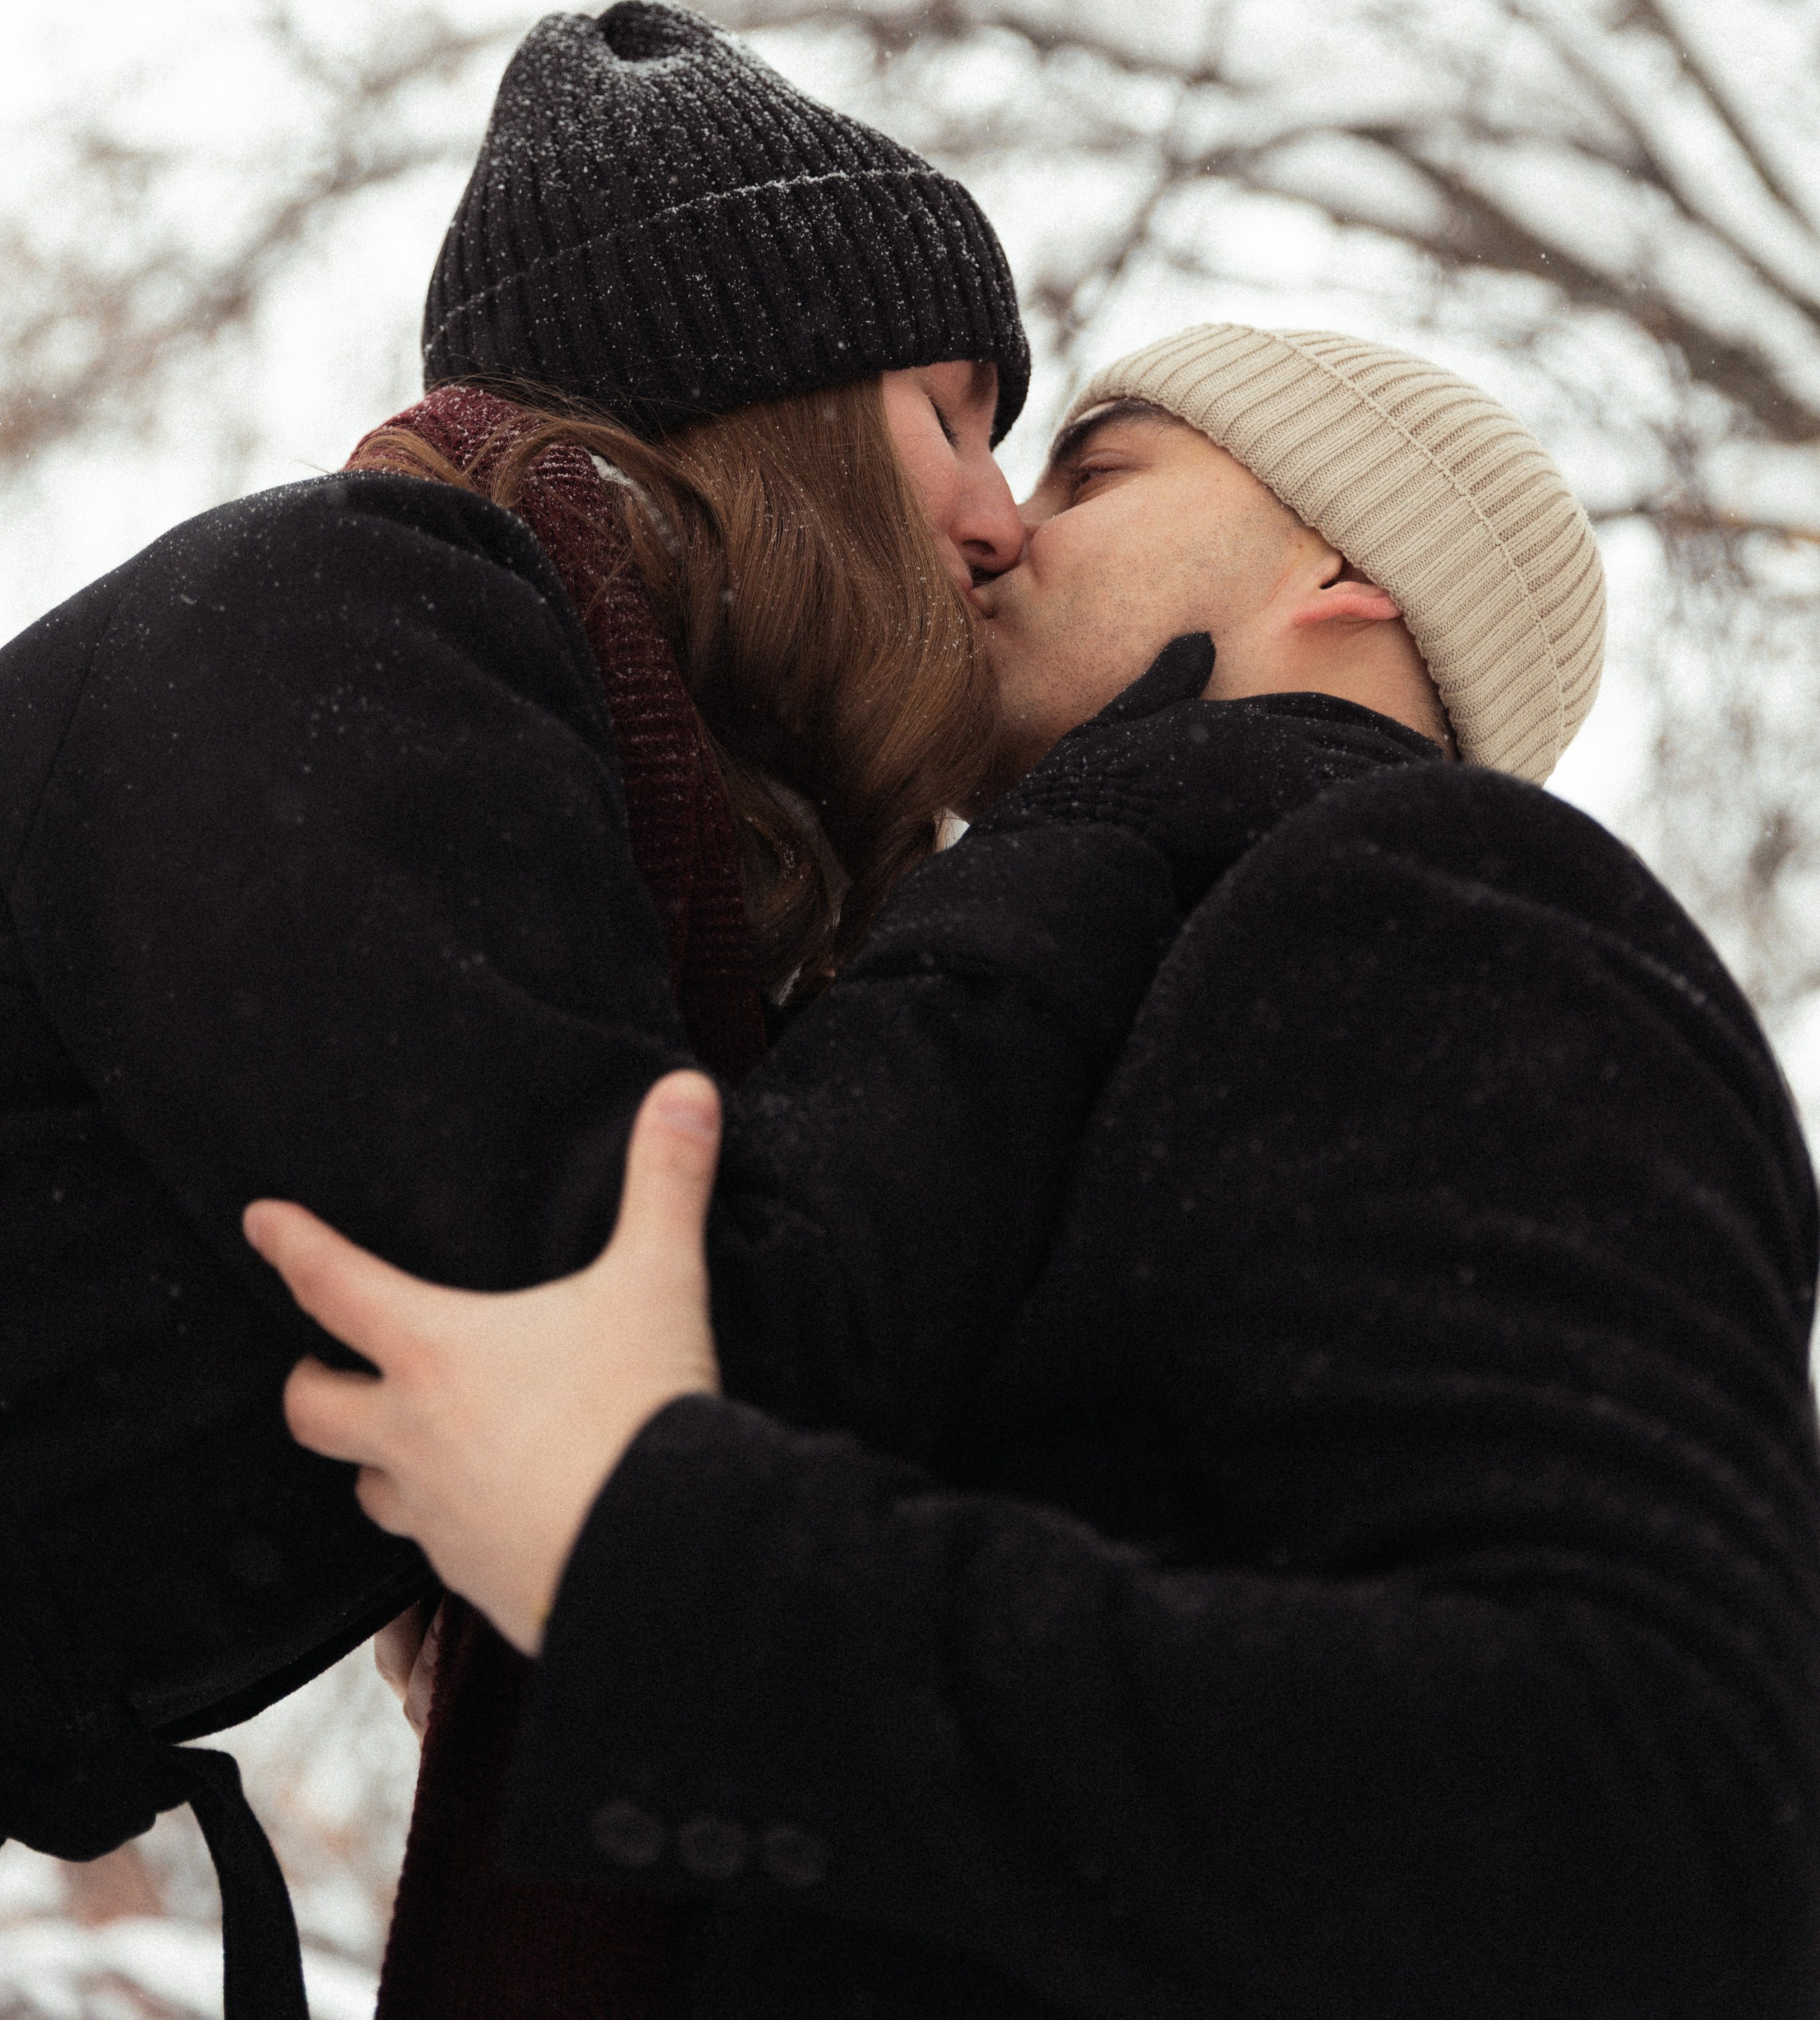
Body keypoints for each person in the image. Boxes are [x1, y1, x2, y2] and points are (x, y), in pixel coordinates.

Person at [259, 322, 1820, 2020]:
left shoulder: (1432, 888)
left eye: (1096, 471)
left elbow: (1661, 1819)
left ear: (1347, 567)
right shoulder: (1035, 1020)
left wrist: (651, 1564)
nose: (997, 527)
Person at [0, 5, 1285, 2020]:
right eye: (949, 419)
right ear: (750, 400)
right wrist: (1089, 846)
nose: (997, 521)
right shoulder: (355, 615)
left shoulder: (575, 805)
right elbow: (655, 1354)